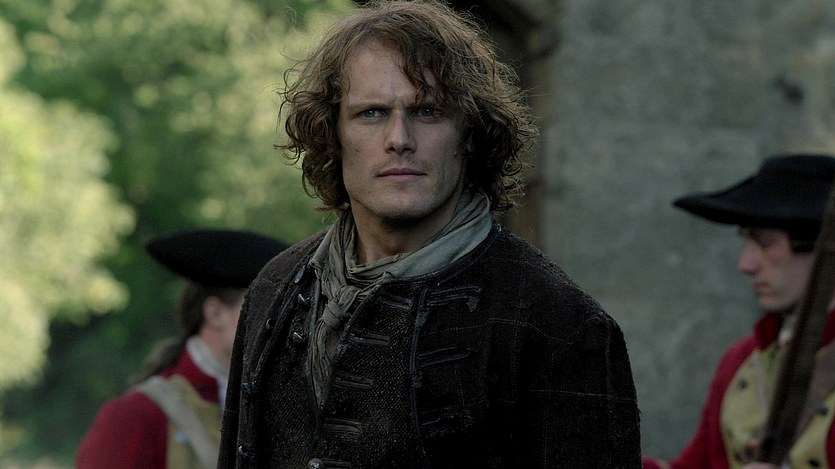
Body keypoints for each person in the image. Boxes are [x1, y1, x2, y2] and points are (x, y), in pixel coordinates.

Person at [217, 1, 641, 467]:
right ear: (333, 135)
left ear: (469, 135)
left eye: (426, 111)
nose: (399, 139)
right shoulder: (275, 289)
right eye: (372, 113)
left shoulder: (559, 323)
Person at [642, 154, 835, 469]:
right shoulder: (740, 360)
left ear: (823, 248)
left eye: (765, 244)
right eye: (747, 242)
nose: (745, 265)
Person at [77, 229, 287, 469]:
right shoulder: (136, 416)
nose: (280, 322)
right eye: (267, 307)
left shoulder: (273, 413)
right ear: (216, 314)